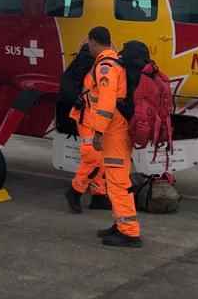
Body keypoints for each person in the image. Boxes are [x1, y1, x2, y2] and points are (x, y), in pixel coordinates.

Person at [71, 26, 142, 247]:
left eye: (89, 43)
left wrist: (98, 131)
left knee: (119, 183)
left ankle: (129, 232)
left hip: (113, 131)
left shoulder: (105, 67)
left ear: (93, 41)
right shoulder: (113, 63)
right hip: (116, 130)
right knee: (115, 181)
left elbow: (106, 103)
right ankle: (120, 224)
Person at [65, 34, 112, 215]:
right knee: (92, 156)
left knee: (102, 157)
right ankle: (75, 192)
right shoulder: (99, 65)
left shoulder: (104, 63)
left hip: (97, 117)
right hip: (88, 117)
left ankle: (99, 195)